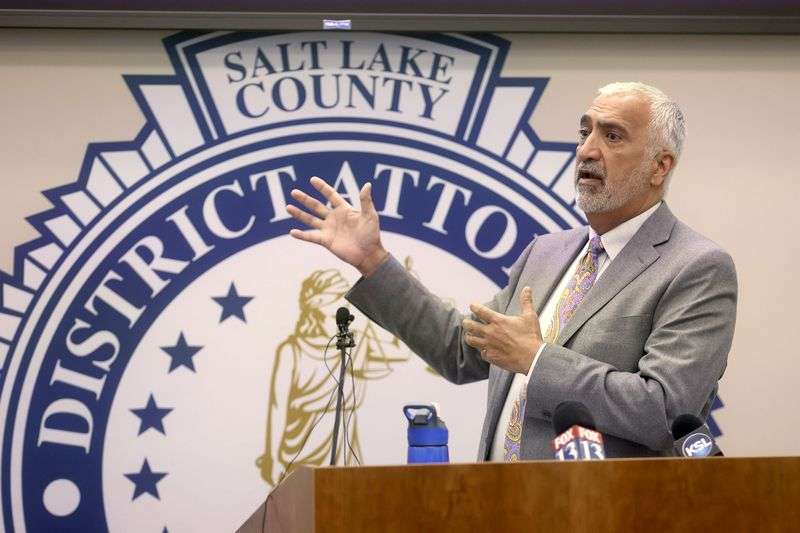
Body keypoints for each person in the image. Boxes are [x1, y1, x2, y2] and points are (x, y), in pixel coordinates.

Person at [285, 82, 738, 459]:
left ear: (660, 166)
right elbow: (461, 351)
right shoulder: (547, 252)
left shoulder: (695, 267)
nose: (587, 150)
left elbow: (663, 410)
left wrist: (537, 360)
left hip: (603, 516)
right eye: (585, 133)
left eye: (612, 136)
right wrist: (374, 261)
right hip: (498, 507)